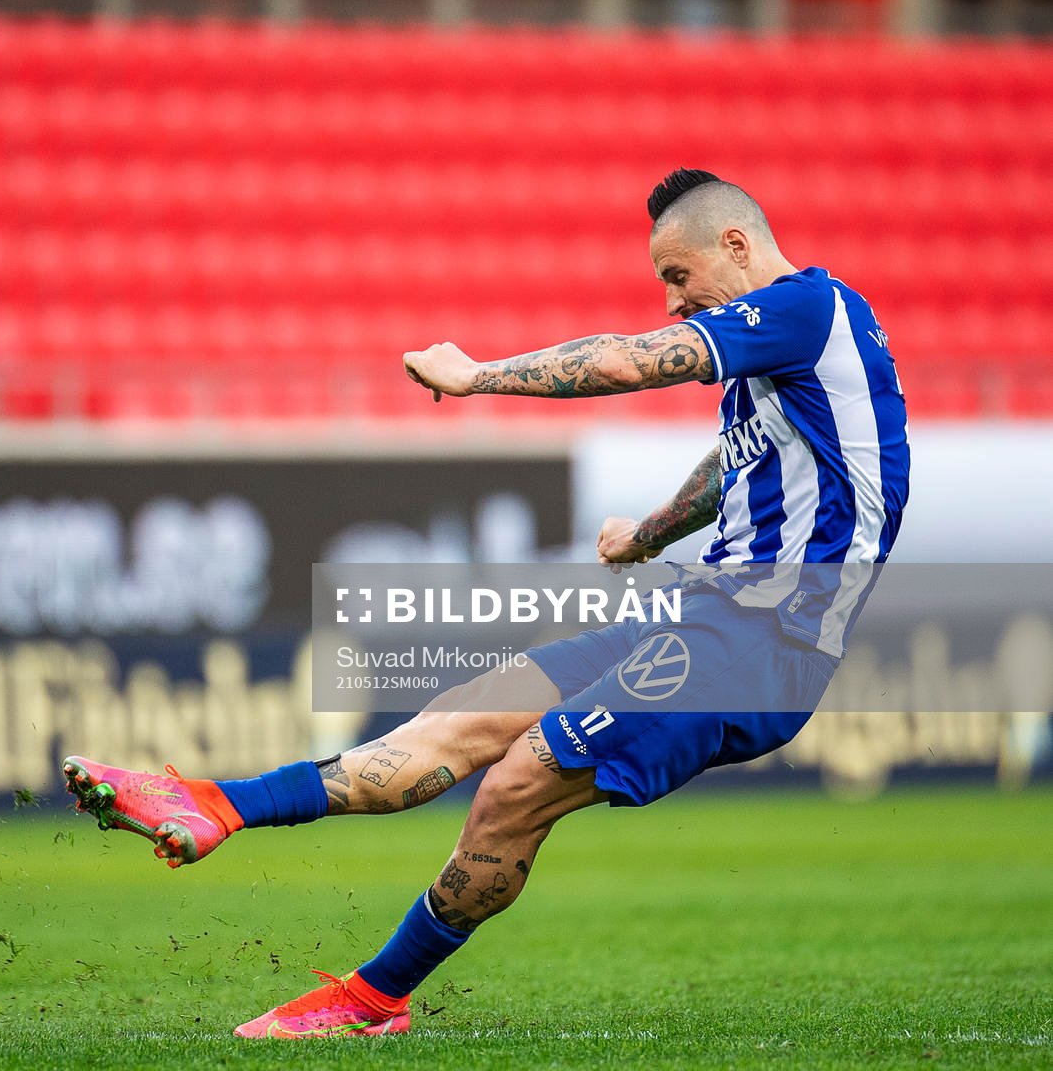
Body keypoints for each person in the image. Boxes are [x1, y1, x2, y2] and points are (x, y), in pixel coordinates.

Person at [62, 168, 910, 1038]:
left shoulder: (808, 309)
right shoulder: (787, 355)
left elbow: (625, 360)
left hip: (759, 647)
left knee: (516, 784)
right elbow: (738, 458)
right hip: (698, 618)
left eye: (676, 275)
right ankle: (215, 805)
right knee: (466, 716)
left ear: (735, 245)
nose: (670, 302)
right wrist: (653, 534)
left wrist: (477, 376)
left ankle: (370, 1000)